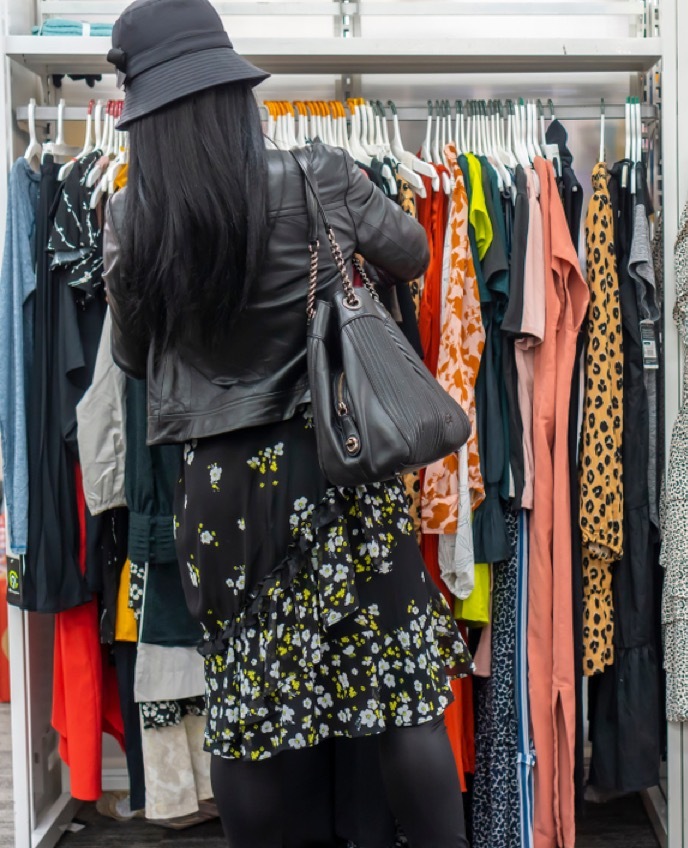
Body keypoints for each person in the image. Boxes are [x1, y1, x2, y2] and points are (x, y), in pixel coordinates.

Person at [101, 0, 472, 844]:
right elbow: (412, 251)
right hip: (339, 462)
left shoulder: (132, 219)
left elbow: (133, 358)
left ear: (147, 121)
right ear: (235, 93)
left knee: (251, 712)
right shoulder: (320, 176)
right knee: (400, 698)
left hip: (225, 492)